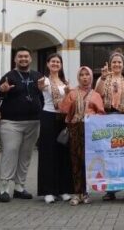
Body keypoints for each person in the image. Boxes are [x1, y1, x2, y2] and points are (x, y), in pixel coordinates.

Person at [0, 47, 44, 202]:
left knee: (26, 155)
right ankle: (4, 188)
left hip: (33, 122)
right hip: (11, 123)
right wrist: (2, 91)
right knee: (10, 152)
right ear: (15, 59)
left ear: (30, 59)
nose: (23, 59)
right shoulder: (8, 76)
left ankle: (19, 187)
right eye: (20, 57)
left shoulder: (38, 76)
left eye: (26, 56)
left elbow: (44, 97)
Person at [59, 66, 105, 206]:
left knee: (87, 161)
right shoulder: (72, 93)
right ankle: (76, 192)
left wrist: (92, 116)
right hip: (74, 129)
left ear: (91, 77)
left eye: (87, 75)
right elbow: (63, 110)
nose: (85, 77)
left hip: (89, 130)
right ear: (78, 77)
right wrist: (67, 96)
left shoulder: (96, 95)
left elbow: (102, 113)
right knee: (75, 161)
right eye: (82, 75)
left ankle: (85, 192)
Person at [95, 51, 124, 201]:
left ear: (123, 65)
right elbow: (97, 94)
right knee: (110, 155)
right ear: (110, 64)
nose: (117, 64)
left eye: (119, 62)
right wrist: (103, 78)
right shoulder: (104, 79)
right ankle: (111, 189)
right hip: (108, 118)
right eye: (114, 62)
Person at [36, 53, 74, 203]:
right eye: (53, 61)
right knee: (48, 153)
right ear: (47, 64)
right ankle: (48, 191)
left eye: (58, 62)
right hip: (48, 116)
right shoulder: (43, 80)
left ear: (61, 65)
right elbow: (39, 90)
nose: (55, 64)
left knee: (63, 153)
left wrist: (69, 93)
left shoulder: (65, 82)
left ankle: (64, 189)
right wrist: (39, 88)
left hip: (62, 119)